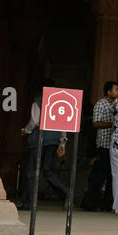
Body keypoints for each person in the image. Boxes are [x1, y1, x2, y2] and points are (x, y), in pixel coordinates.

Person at [19, 80, 68, 209]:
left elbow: (34, 121)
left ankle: (28, 203)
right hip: (53, 141)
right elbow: (64, 124)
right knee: (47, 170)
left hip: (37, 140)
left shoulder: (39, 100)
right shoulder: (59, 103)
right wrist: (62, 143)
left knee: (30, 171)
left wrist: (26, 131)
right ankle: (66, 193)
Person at [81, 81, 118, 211]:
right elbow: (96, 123)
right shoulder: (100, 103)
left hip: (113, 145)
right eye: (115, 90)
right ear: (108, 91)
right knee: (99, 176)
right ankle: (89, 203)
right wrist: (112, 125)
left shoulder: (116, 105)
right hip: (103, 145)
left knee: (111, 176)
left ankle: (106, 205)